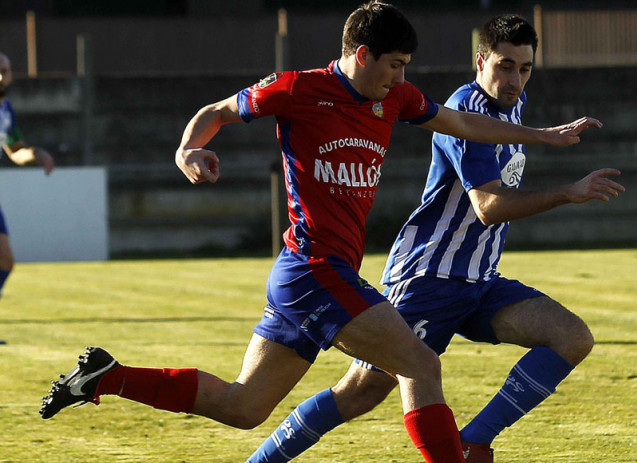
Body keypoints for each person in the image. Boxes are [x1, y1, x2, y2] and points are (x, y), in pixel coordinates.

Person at [39, 4, 602, 462]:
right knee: (420, 366)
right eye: (395, 64)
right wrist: (190, 148)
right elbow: (217, 110)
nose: (403, 78)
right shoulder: (297, 89)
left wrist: (547, 137)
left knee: (244, 406)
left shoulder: (397, 100)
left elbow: (459, 122)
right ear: (362, 55)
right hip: (314, 270)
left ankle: (109, 378)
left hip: (317, 276)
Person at [244, 14, 625, 463]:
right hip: (428, 277)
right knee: (360, 392)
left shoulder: (512, 108)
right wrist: (569, 192)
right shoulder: (468, 111)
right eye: (505, 65)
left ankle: (474, 439)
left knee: (571, 337)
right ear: (480, 61)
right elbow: (489, 207)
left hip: (479, 280)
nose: (514, 79)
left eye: (524, 69)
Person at [0, 52, 55, 306]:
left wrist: (33, 153)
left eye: (6, 70)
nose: (1, 76)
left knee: (5, 261)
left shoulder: (6, 109)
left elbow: (15, 149)